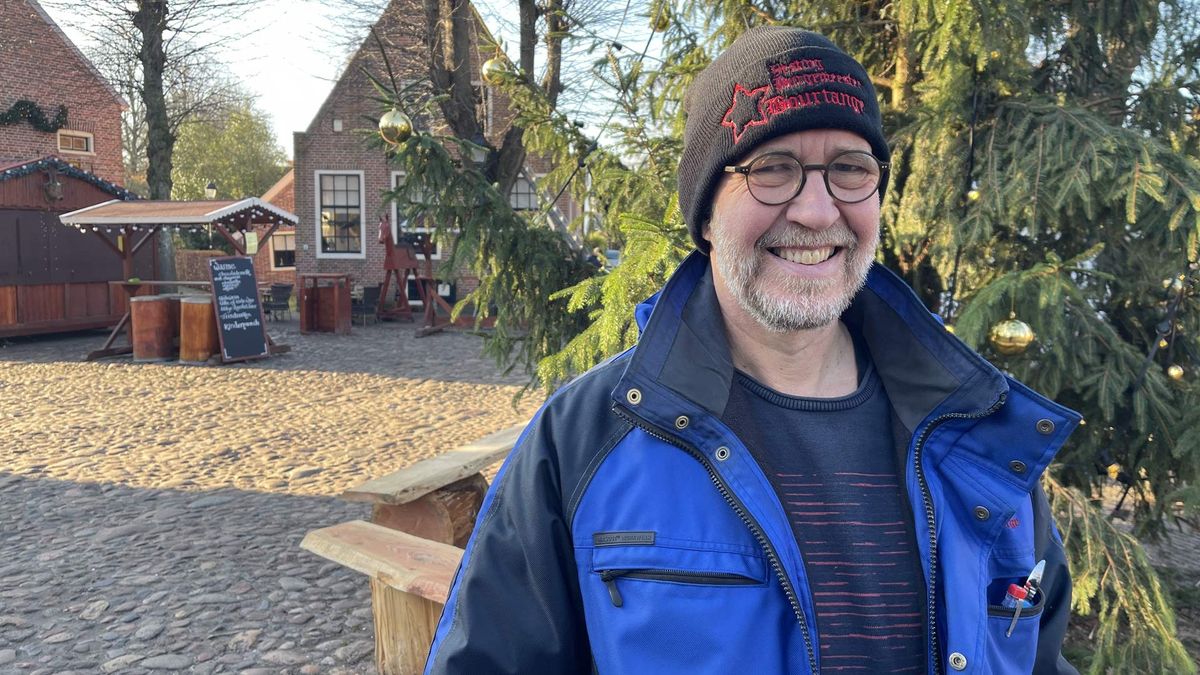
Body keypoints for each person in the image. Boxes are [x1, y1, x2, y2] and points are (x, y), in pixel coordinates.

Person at [425, 26, 1079, 675]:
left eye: (850, 168)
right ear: (706, 216)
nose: (819, 212)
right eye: (772, 168)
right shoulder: (583, 443)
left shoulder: (978, 442)